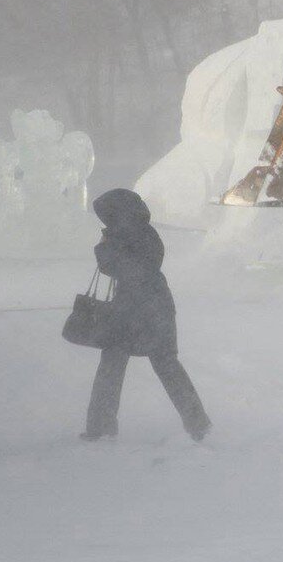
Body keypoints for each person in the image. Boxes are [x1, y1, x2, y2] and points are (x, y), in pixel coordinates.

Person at [80, 188, 211, 442]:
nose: (106, 221)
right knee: (161, 366)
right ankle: (198, 424)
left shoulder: (133, 235)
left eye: (109, 215)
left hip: (141, 311)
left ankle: (100, 428)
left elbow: (119, 267)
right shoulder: (142, 233)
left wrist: (107, 244)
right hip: (147, 309)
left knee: (119, 368)